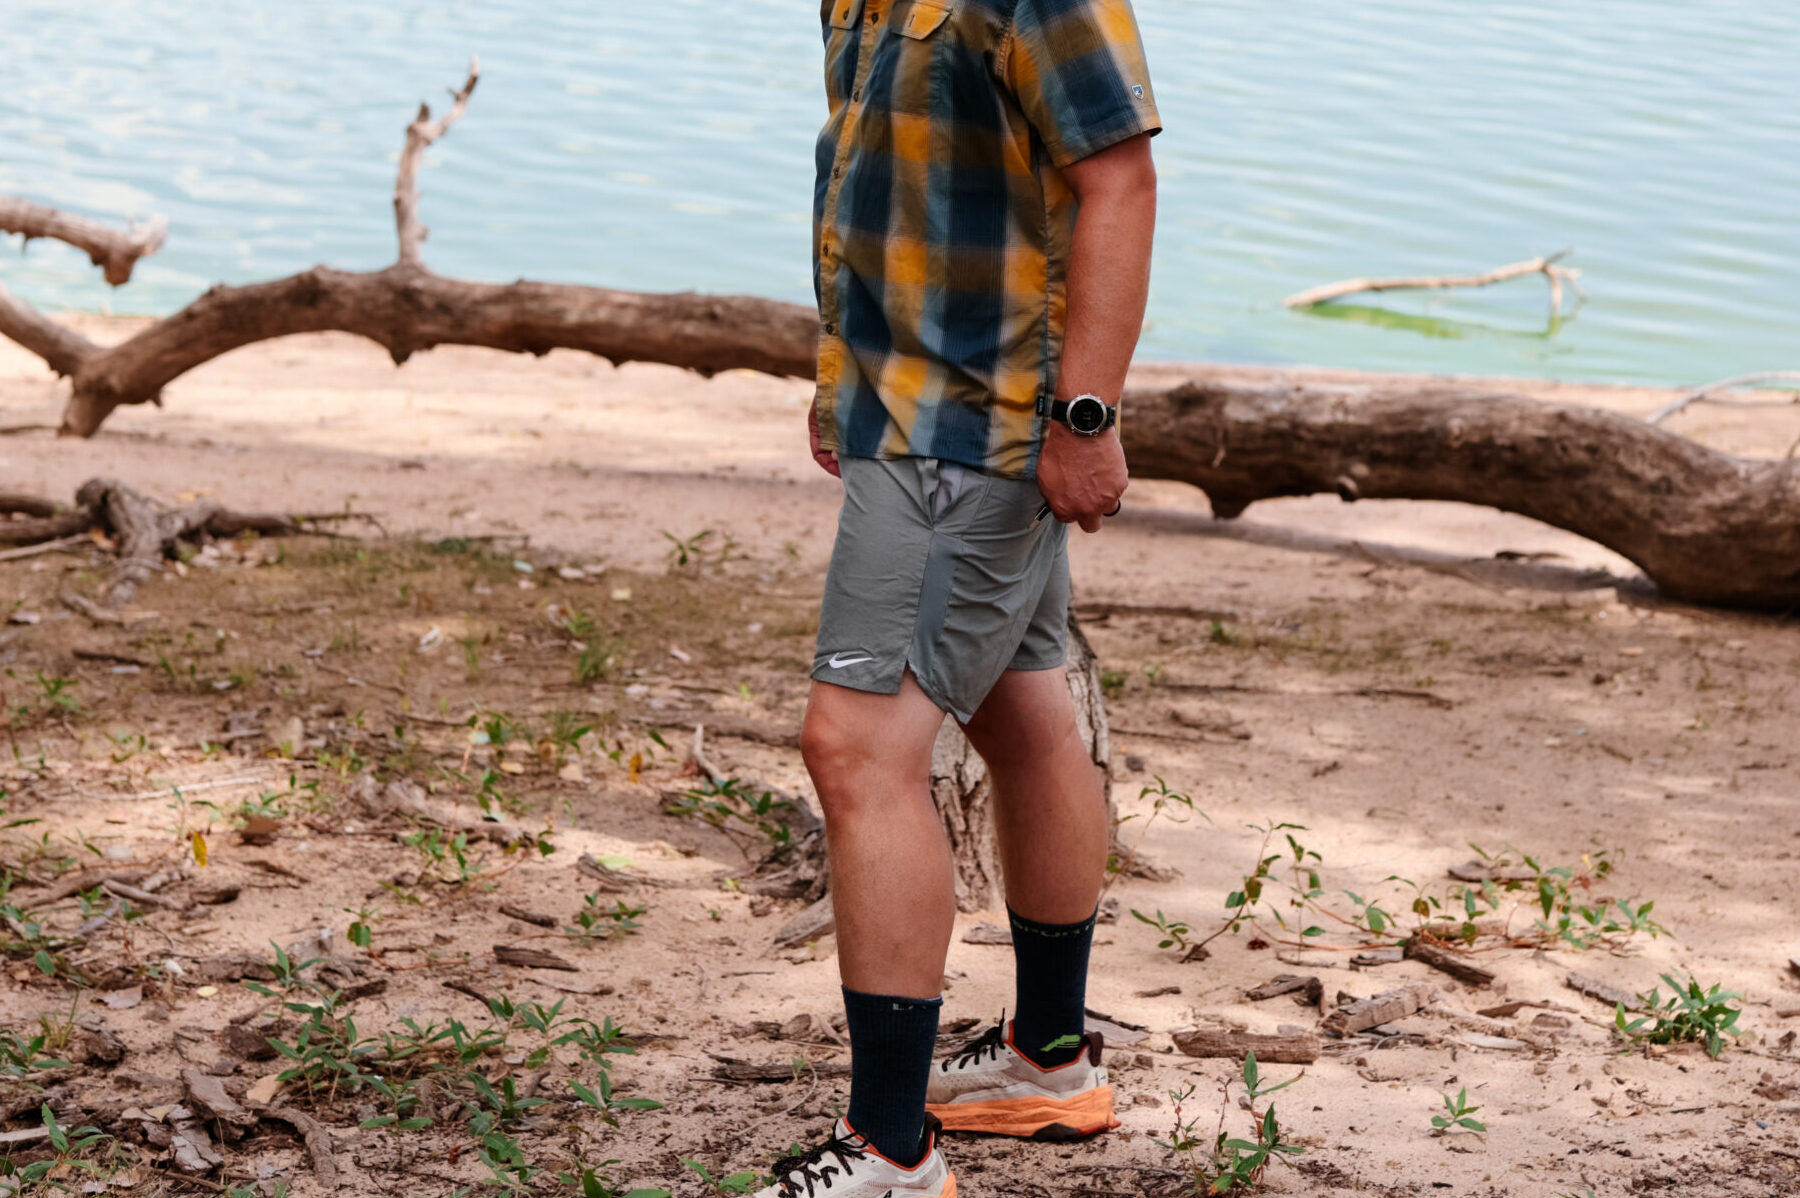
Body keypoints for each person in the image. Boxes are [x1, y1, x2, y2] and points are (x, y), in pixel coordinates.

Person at [749, 0, 1159, 1193]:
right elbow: (871, 175)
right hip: (903, 408)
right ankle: (1048, 1058)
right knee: (1022, 707)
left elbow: (1120, 183)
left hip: (975, 430)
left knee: (856, 746)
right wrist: (843, 380)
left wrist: (1086, 414)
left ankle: (889, 1147)